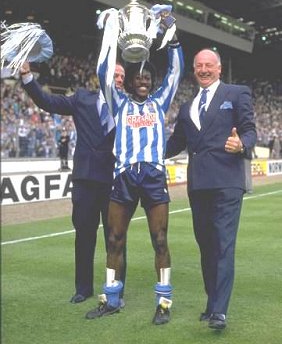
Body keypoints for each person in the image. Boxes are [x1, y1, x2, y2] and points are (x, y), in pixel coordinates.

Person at [85, 17, 184, 325]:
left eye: (147, 77)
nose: (143, 80)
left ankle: (164, 301)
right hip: (124, 176)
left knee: (160, 240)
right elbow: (103, 69)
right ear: (128, 81)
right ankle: (111, 298)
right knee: (114, 239)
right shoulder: (119, 104)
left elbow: (176, 71)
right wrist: (112, 32)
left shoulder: (160, 101)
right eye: (138, 77)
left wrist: (174, 36)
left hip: (154, 176)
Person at [19, 60, 129, 305]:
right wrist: (28, 77)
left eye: (122, 76)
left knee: (116, 237)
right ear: (101, 76)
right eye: (116, 74)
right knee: (84, 236)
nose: (120, 79)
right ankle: (83, 288)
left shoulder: (129, 106)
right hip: (86, 180)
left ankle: (116, 288)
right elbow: (50, 103)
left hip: (114, 180)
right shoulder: (82, 98)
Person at [165, 48, 257, 330]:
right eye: (199, 66)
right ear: (194, 70)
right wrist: (144, 151)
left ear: (218, 68)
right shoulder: (186, 108)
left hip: (227, 183)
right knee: (206, 247)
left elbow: (250, 129)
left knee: (223, 245)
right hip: (198, 185)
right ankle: (211, 302)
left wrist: (241, 144)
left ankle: (220, 311)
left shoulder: (237, 93)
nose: (204, 70)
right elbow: (175, 143)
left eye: (209, 65)